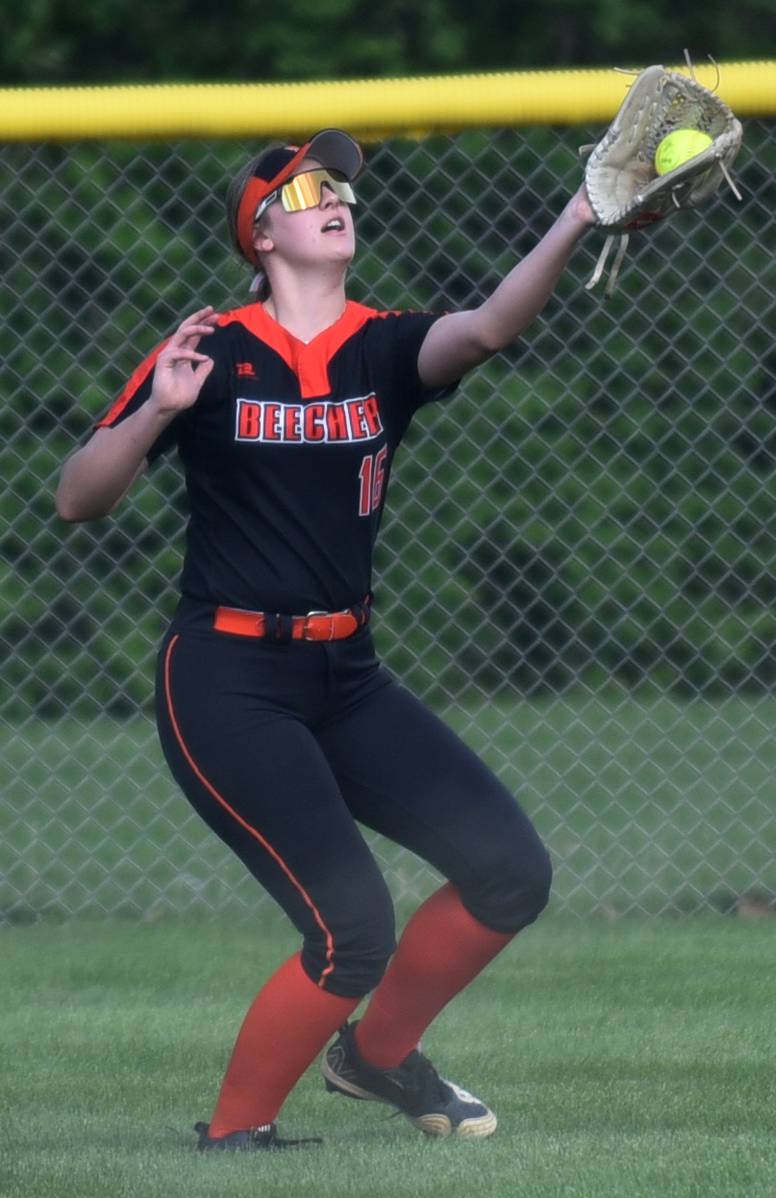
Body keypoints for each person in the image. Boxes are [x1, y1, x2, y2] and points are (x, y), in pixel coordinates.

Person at [56, 128, 595, 1151]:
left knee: (507, 869)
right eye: (304, 187)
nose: (333, 195)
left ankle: (377, 1058)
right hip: (225, 678)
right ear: (259, 232)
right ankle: (233, 1137)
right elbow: (78, 496)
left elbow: (483, 330)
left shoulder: (381, 348)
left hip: (344, 675)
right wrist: (152, 415)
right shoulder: (208, 351)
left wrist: (574, 216)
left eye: (339, 183)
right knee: (348, 927)